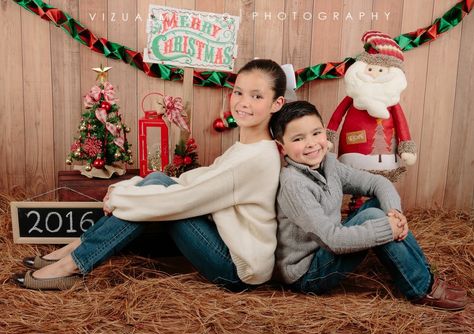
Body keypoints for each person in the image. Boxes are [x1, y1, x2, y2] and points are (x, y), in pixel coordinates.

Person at [13, 58, 286, 291]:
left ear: (277, 104)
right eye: (238, 92)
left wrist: (121, 195)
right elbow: (199, 179)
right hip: (226, 242)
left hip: (237, 269)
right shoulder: (249, 147)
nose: (243, 103)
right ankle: (75, 251)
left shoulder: (258, 159)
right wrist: (132, 186)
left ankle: (73, 262)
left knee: (157, 203)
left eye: (257, 96)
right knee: (158, 182)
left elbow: (183, 200)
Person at [269, 100, 468, 311]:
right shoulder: (294, 184)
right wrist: (386, 228)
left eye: (316, 133)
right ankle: (421, 288)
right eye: (298, 138)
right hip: (308, 272)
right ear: (282, 148)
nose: (311, 143)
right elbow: (333, 240)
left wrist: (394, 213)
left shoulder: (329, 164)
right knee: (374, 216)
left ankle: (425, 275)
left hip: (326, 250)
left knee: (380, 207)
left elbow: (377, 182)